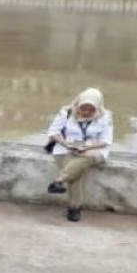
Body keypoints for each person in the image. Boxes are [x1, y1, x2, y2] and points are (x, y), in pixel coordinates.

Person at [45, 87, 114, 222]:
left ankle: (59, 181)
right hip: (66, 148)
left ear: (98, 107)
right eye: (83, 108)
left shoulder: (106, 117)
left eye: (91, 109)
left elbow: (106, 141)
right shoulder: (67, 111)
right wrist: (66, 144)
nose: (86, 112)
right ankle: (74, 208)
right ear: (78, 104)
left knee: (86, 157)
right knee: (76, 173)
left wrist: (87, 147)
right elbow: (53, 132)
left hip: (94, 150)